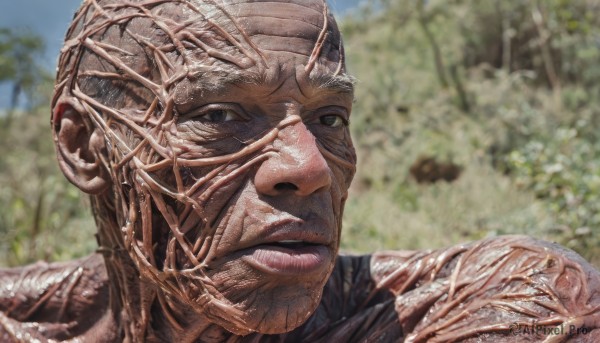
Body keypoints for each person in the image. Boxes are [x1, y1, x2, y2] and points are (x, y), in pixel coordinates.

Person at [1, 0, 599, 341]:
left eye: (331, 118)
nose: (308, 166)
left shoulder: (510, 307)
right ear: (82, 147)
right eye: (217, 113)